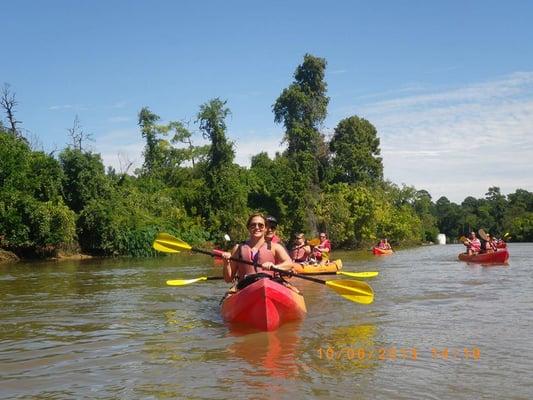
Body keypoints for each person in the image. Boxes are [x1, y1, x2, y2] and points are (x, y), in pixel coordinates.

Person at [221, 213, 294, 287]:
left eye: (260, 225)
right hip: (246, 287)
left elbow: (290, 264)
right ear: (248, 228)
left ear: (265, 228)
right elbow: (228, 279)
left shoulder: (275, 247)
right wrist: (226, 263)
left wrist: (275, 267)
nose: (257, 227)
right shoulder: (238, 248)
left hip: (269, 284)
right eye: (253, 225)